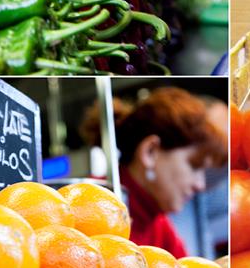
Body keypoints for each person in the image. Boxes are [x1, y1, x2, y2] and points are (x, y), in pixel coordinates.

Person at [81, 87, 227, 258]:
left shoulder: (159, 225)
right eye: (194, 166)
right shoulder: (90, 203)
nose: (200, 184)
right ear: (150, 152)